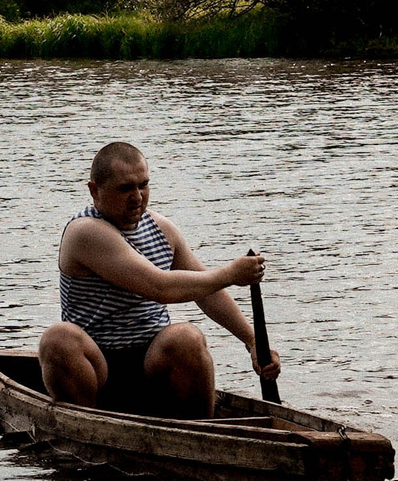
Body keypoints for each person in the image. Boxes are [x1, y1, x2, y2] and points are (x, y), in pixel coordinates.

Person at [38, 141, 280, 417]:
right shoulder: (85, 232)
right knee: (58, 339)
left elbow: (206, 291)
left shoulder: (162, 229)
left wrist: (252, 343)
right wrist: (231, 275)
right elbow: (159, 287)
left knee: (187, 337)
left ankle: (202, 433)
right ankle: (87, 425)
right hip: (96, 367)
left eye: (143, 185)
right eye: (126, 188)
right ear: (95, 190)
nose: (138, 197)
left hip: (151, 364)